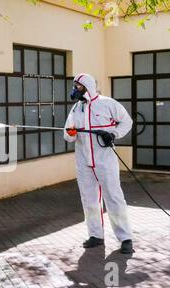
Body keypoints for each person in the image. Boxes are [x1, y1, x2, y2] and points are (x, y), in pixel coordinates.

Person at [64, 73, 134, 254]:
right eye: (75, 86)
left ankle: (125, 238)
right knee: (89, 199)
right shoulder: (76, 108)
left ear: (87, 87)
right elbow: (67, 134)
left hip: (105, 159)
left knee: (114, 197)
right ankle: (95, 235)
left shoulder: (108, 103)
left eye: (78, 86)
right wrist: (70, 134)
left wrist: (113, 134)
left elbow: (127, 122)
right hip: (83, 160)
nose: (75, 90)